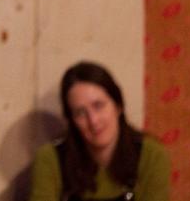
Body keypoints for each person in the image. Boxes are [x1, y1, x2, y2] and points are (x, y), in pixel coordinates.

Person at [27, 61, 169, 201]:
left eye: (98, 105)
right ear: (71, 120)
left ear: (118, 106)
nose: (93, 121)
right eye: (80, 113)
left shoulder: (150, 155)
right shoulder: (51, 158)